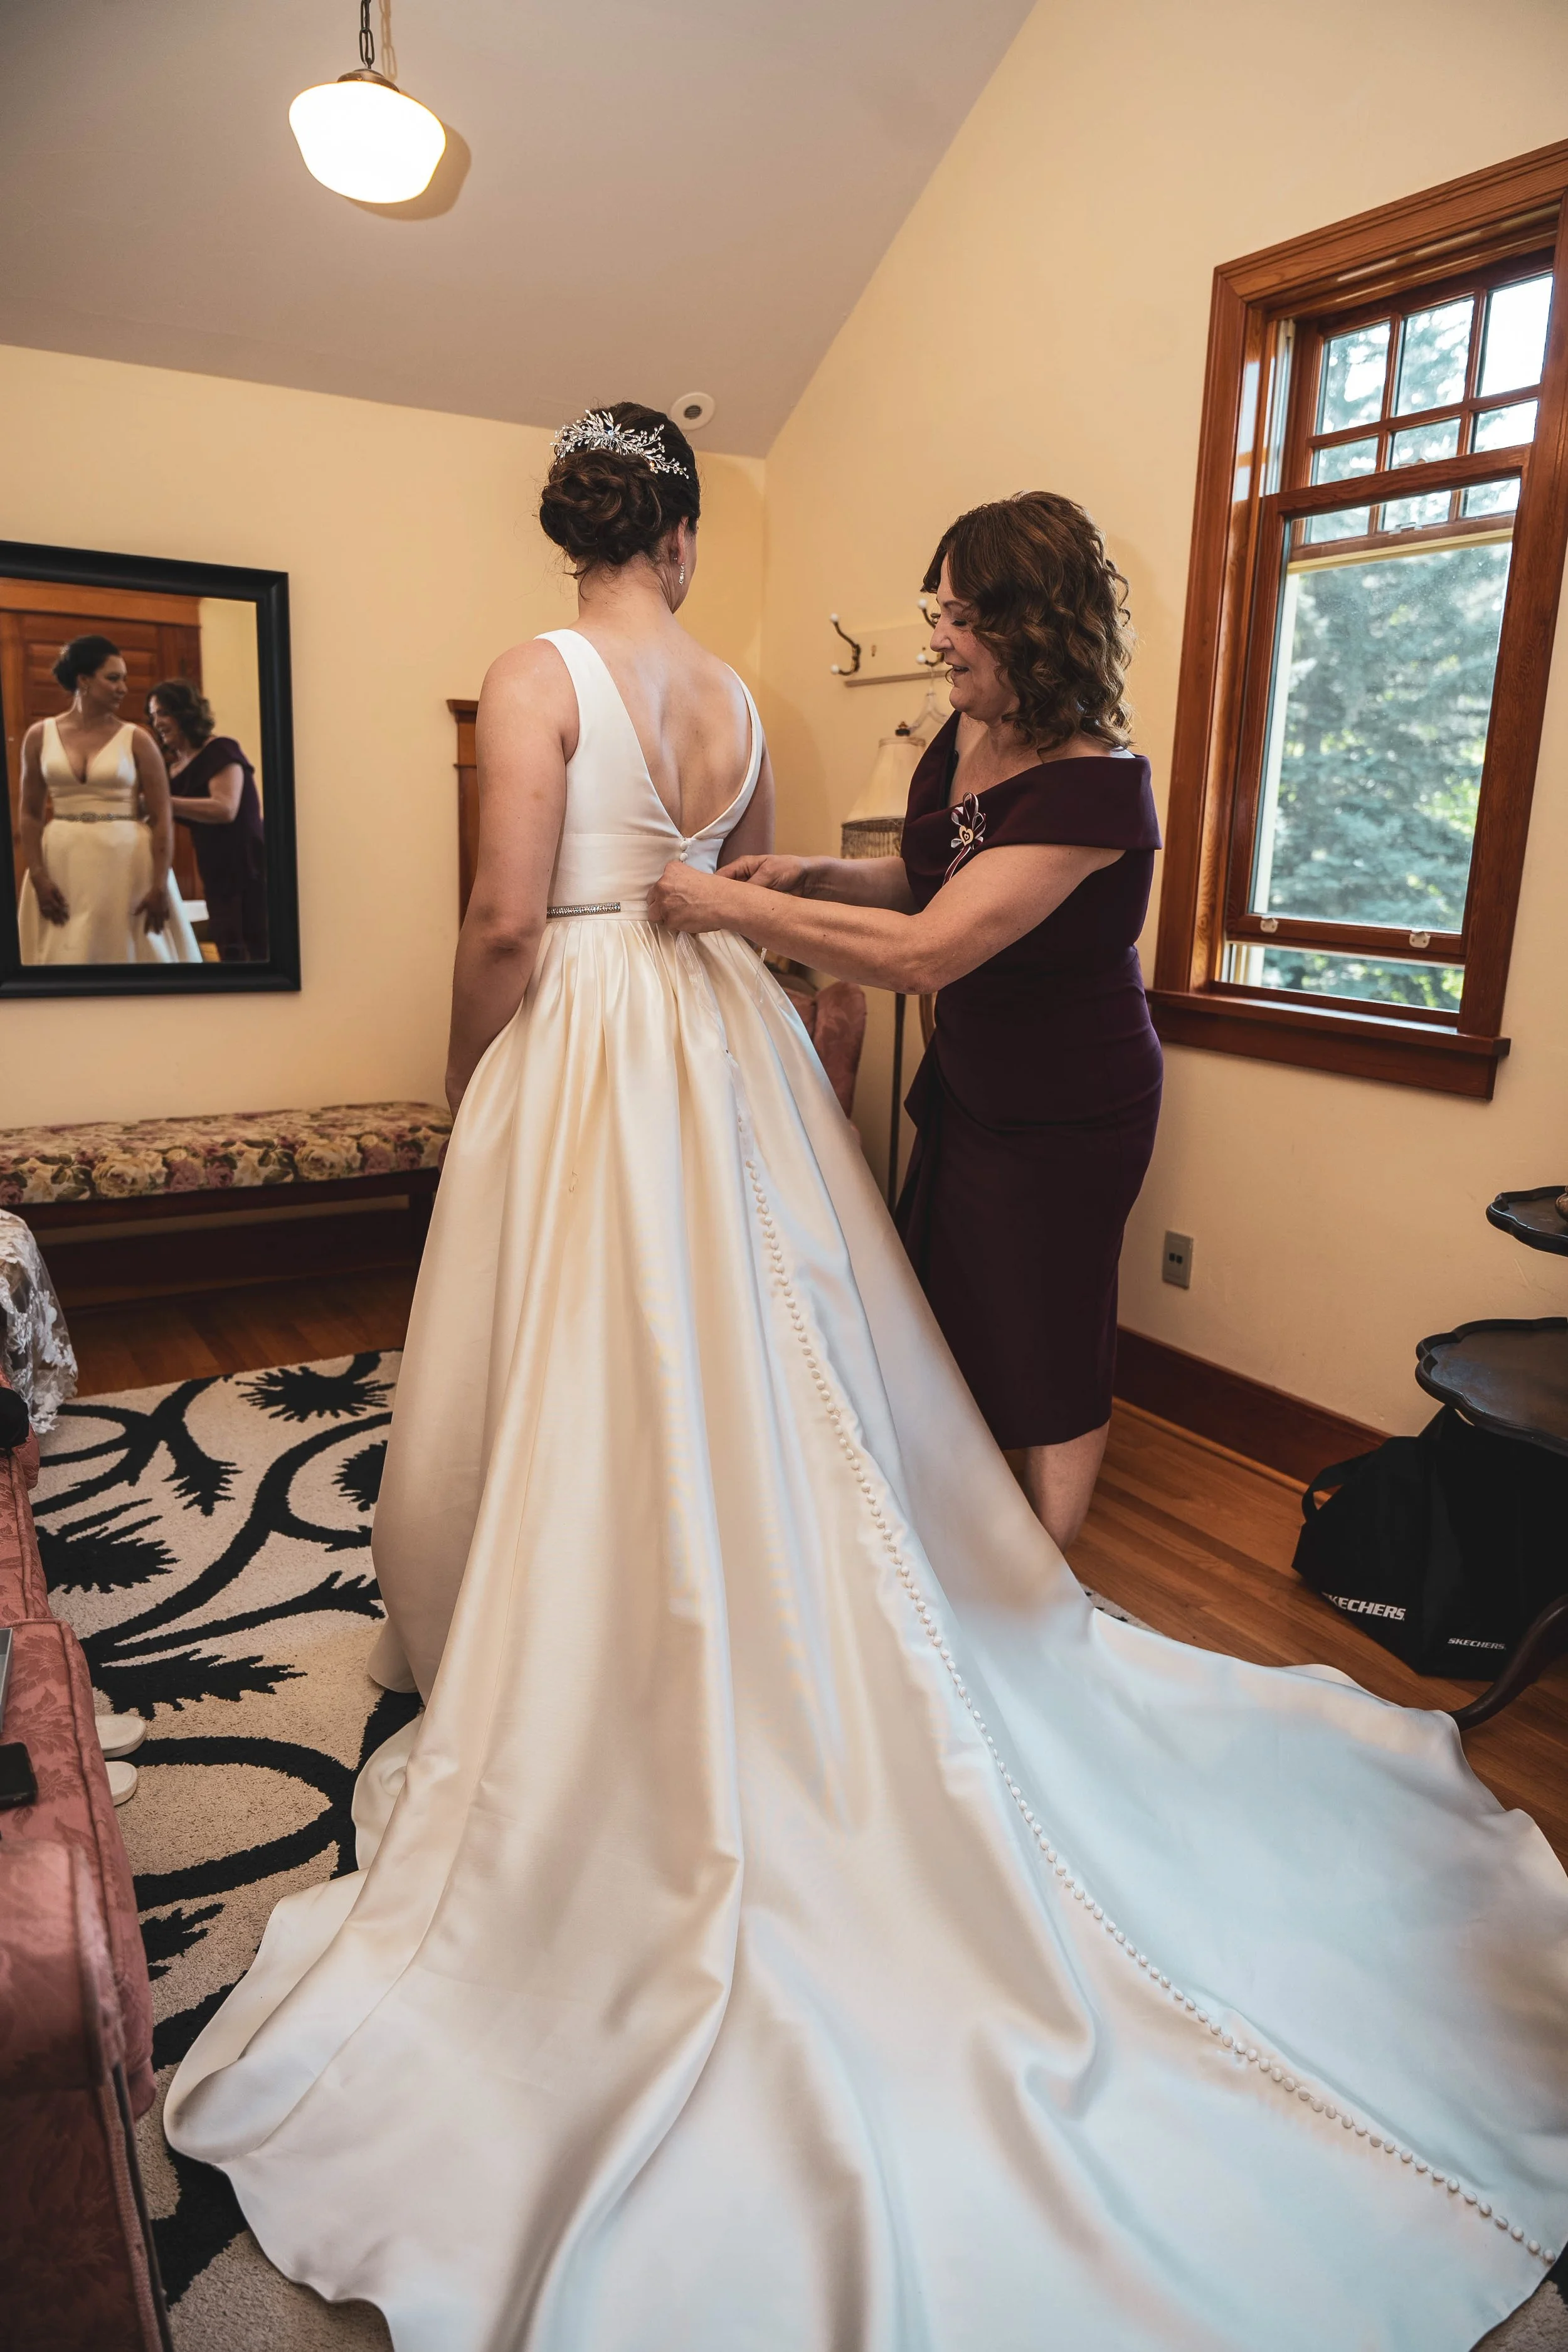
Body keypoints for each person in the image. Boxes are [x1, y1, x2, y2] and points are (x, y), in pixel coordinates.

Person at [165, 407, 1568, 2352]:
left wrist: (464, 1067)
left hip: (630, 1032)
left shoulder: (536, 672)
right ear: (671, 521)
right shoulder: (736, 692)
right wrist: (754, 922)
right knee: (781, 1336)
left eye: (954, 612)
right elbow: (842, 878)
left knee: (604, 1337)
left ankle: (741, 1611)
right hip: (721, 1039)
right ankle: (851, 1595)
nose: (932, 632)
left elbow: (517, 915)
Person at [657, 492, 1159, 1550]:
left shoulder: (1096, 792)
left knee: (1051, 1329)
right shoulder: (963, 735)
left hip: (1070, 1105)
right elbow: (922, 879)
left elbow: (932, 949)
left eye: (961, 615)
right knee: (958, 1307)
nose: (937, 637)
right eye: (935, 609)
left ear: (1034, 622)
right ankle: (968, 1527)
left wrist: (733, 905)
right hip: (975, 1080)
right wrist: (815, 874)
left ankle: (1045, 1572)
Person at [17, 635, 202, 965]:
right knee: (62, 949)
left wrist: (159, 884)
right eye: (113, 678)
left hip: (128, 861)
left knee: (130, 949)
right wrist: (39, 876)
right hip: (63, 859)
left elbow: (162, 817)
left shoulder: (138, 740)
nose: (123, 688)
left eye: (125, 679)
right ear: (84, 680)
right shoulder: (38, 736)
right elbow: (30, 814)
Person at [147, 679, 268, 962]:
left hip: (248, 864)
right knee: (229, 946)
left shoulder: (222, 749)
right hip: (215, 867)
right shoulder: (173, 770)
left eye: (164, 713)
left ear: (186, 713)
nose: (157, 723)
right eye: (153, 716)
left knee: (258, 946)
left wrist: (161, 802)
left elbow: (225, 809)